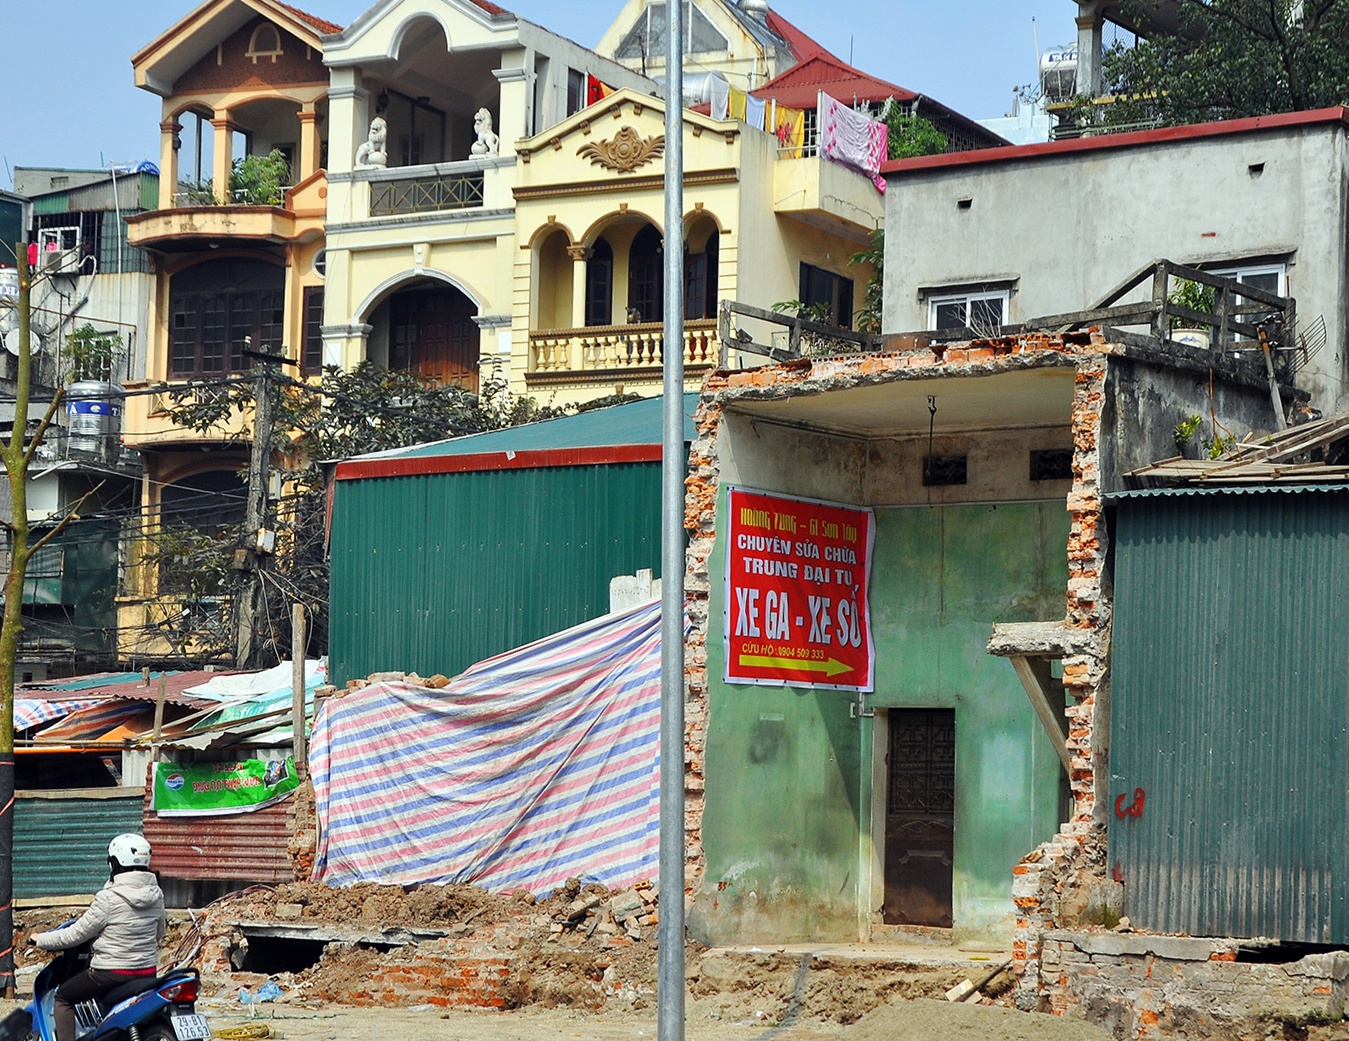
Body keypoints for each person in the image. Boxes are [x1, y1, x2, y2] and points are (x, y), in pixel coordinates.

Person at [31, 834, 167, 1041]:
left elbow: (75, 934)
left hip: (110, 973)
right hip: (147, 972)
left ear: (114, 863)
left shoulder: (108, 898)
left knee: (63, 998)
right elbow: (160, 933)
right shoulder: (156, 894)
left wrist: (40, 939)